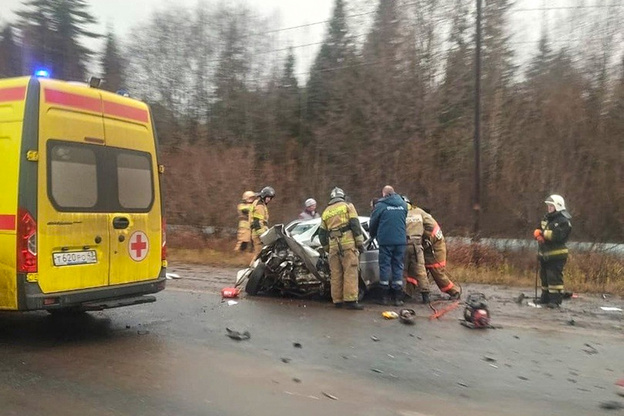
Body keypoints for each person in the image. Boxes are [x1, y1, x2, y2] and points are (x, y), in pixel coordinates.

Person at [319, 187, 365, 310]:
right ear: (342, 196)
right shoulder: (348, 206)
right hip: (348, 245)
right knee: (350, 271)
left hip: (333, 246)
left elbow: (321, 234)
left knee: (336, 274)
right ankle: (350, 301)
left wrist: (327, 248)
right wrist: (360, 243)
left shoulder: (326, 212)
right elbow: (355, 225)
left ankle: (337, 300)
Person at [369, 185, 408, 306]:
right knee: (398, 266)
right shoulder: (403, 205)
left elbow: (373, 222)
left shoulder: (381, 206)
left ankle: (384, 297)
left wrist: (373, 235)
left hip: (386, 240)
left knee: (385, 266)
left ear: (384, 194)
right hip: (401, 240)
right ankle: (397, 297)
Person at [533, 194, 572, 308]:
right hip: (545, 254)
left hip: (556, 255)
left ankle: (555, 301)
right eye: (548, 206)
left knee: (554, 278)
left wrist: (542, 234)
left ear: (558, 206)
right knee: (544, 277)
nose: (549, 208)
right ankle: (545, 298)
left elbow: (557, 236)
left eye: (551, 206)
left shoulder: (563, 221)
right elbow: (539, 228)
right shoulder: (546, 218)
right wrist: (537, 234)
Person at [420, 203, 461, 300]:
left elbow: (428, 240)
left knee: (438, 274)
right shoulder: (429, 221)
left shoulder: (428, 226)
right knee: (419, 272)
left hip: (435, 253)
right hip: (433, 251)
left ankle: (454, 291)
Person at [401, 196, 431, 304]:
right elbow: (431, 224)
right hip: (417, 245)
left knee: (403, 271)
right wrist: (425, 236)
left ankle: (402, 295)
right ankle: (425, 296)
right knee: (420, 270)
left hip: (404, 244)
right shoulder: (419, 211)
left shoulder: (401, 212)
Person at [249, 186, 275, 258]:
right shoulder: (260, 206)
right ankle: (252, 269)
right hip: (258, 234)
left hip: (256, 233)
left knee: (259, 255)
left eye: (270, 198)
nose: (269, 199)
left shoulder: (258, 202)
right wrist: (264, 236)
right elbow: (257, 223)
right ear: (264, 196)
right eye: (268, 197)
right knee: (259, 256)